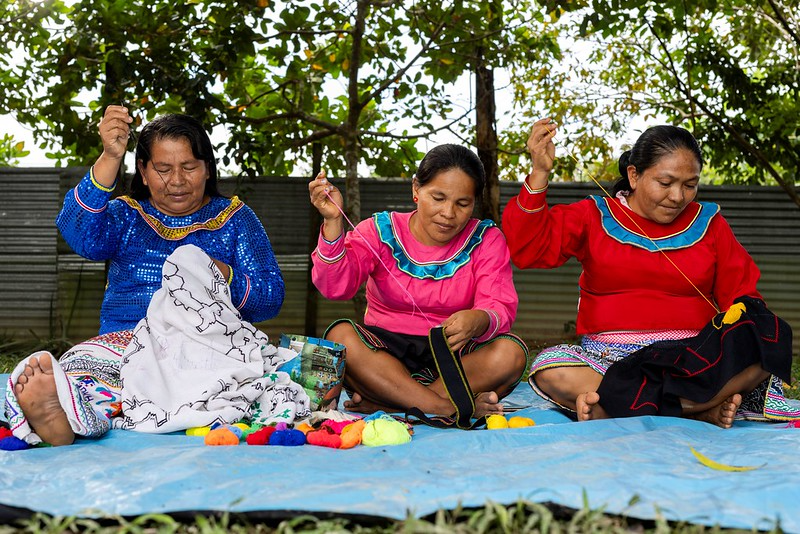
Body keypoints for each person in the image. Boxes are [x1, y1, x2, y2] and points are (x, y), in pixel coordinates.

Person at [9, 106, 287, 446]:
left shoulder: (236, 219)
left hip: (206, 346)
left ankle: (79, 413)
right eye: (163, 169)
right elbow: (78, 231)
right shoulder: (126, 215)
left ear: (208, 169)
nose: (178, 181)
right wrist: (111, 156)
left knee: (238, 380)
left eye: (189, 167)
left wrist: (219, 276)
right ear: (143, 171)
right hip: (123, 344)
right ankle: (61, 414)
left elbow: (270, 296)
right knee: (88, 371)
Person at [502, 118, 797, 428]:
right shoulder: (594, 216)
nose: (678, 196)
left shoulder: (709, 223)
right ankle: (697, 410)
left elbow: (742, 293)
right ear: (634, 175)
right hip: (611, 362)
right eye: (665, 182)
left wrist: (745, 324)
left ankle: (626, 407)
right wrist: (539, 173)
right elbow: (528, 249)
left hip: (695, 362)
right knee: (552, 368)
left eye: (690, 185)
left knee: (767, 335)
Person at [308, 144, 528, 419]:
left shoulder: (486, 239)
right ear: (416, 189)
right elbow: (335, 287)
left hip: (453, 355)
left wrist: (480, 319)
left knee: (510, 352)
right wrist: (332, 222)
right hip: (384, 360)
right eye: (438, 197)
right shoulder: (380, 231)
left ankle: (396, 403)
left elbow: (499, 303)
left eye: (462, 203)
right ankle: (446, 407)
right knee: (340, 336)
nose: (448, 213)